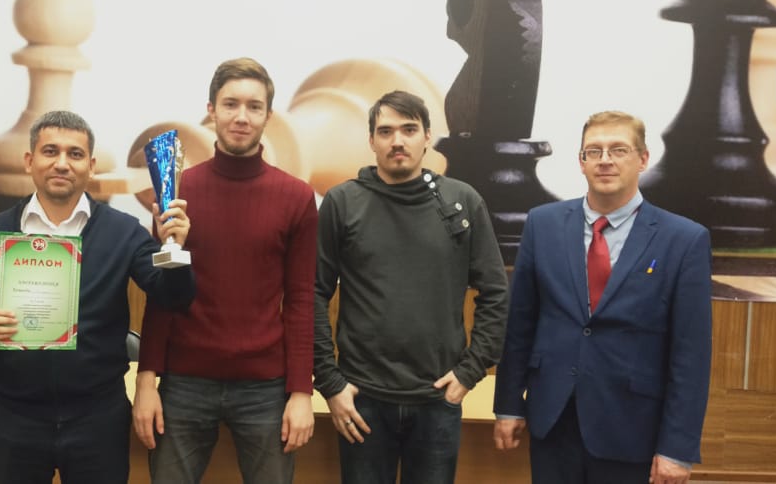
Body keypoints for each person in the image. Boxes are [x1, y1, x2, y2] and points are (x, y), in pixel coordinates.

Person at [0, 110, 196, 484]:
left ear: (91, 166)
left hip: (98, 419)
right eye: (50, 151)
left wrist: (175, 249)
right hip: (15, 418)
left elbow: (173, 297)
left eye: (75, 154)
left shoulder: (123, 232)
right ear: (29, 161)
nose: (62, 163)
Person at [492, 111, 712, 484]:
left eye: (618, 150)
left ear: (643, 159)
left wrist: (677, 448)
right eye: (593, 151)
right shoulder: (543, 224)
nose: (605, 160)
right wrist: (509, 405)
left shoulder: (683, 239)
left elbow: (691, 355)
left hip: (631, 426)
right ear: (581, 162)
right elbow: (520, 325)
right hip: (553, 420)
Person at [133, 57, 319, 483]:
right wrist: (146, 380)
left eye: (254, 106)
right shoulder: (177, 192)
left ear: (268, 116)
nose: (241, 117)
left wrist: (301, 392)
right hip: (184, 383)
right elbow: (162, 293)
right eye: (230, 104)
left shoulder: (295, 197)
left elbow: (301, 299)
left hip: (265, 388)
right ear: (211, 110)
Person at [312, 90, 509, 484]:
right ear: (372, 140)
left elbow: (496, 292)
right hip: (361, 400)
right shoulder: (342, 202)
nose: (397, 141)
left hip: (437, 400)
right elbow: (313, 292)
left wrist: (470, 372)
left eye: (409, 129)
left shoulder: (462, 201)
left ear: (427, 136)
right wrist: (330, 383)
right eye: (386, 131)